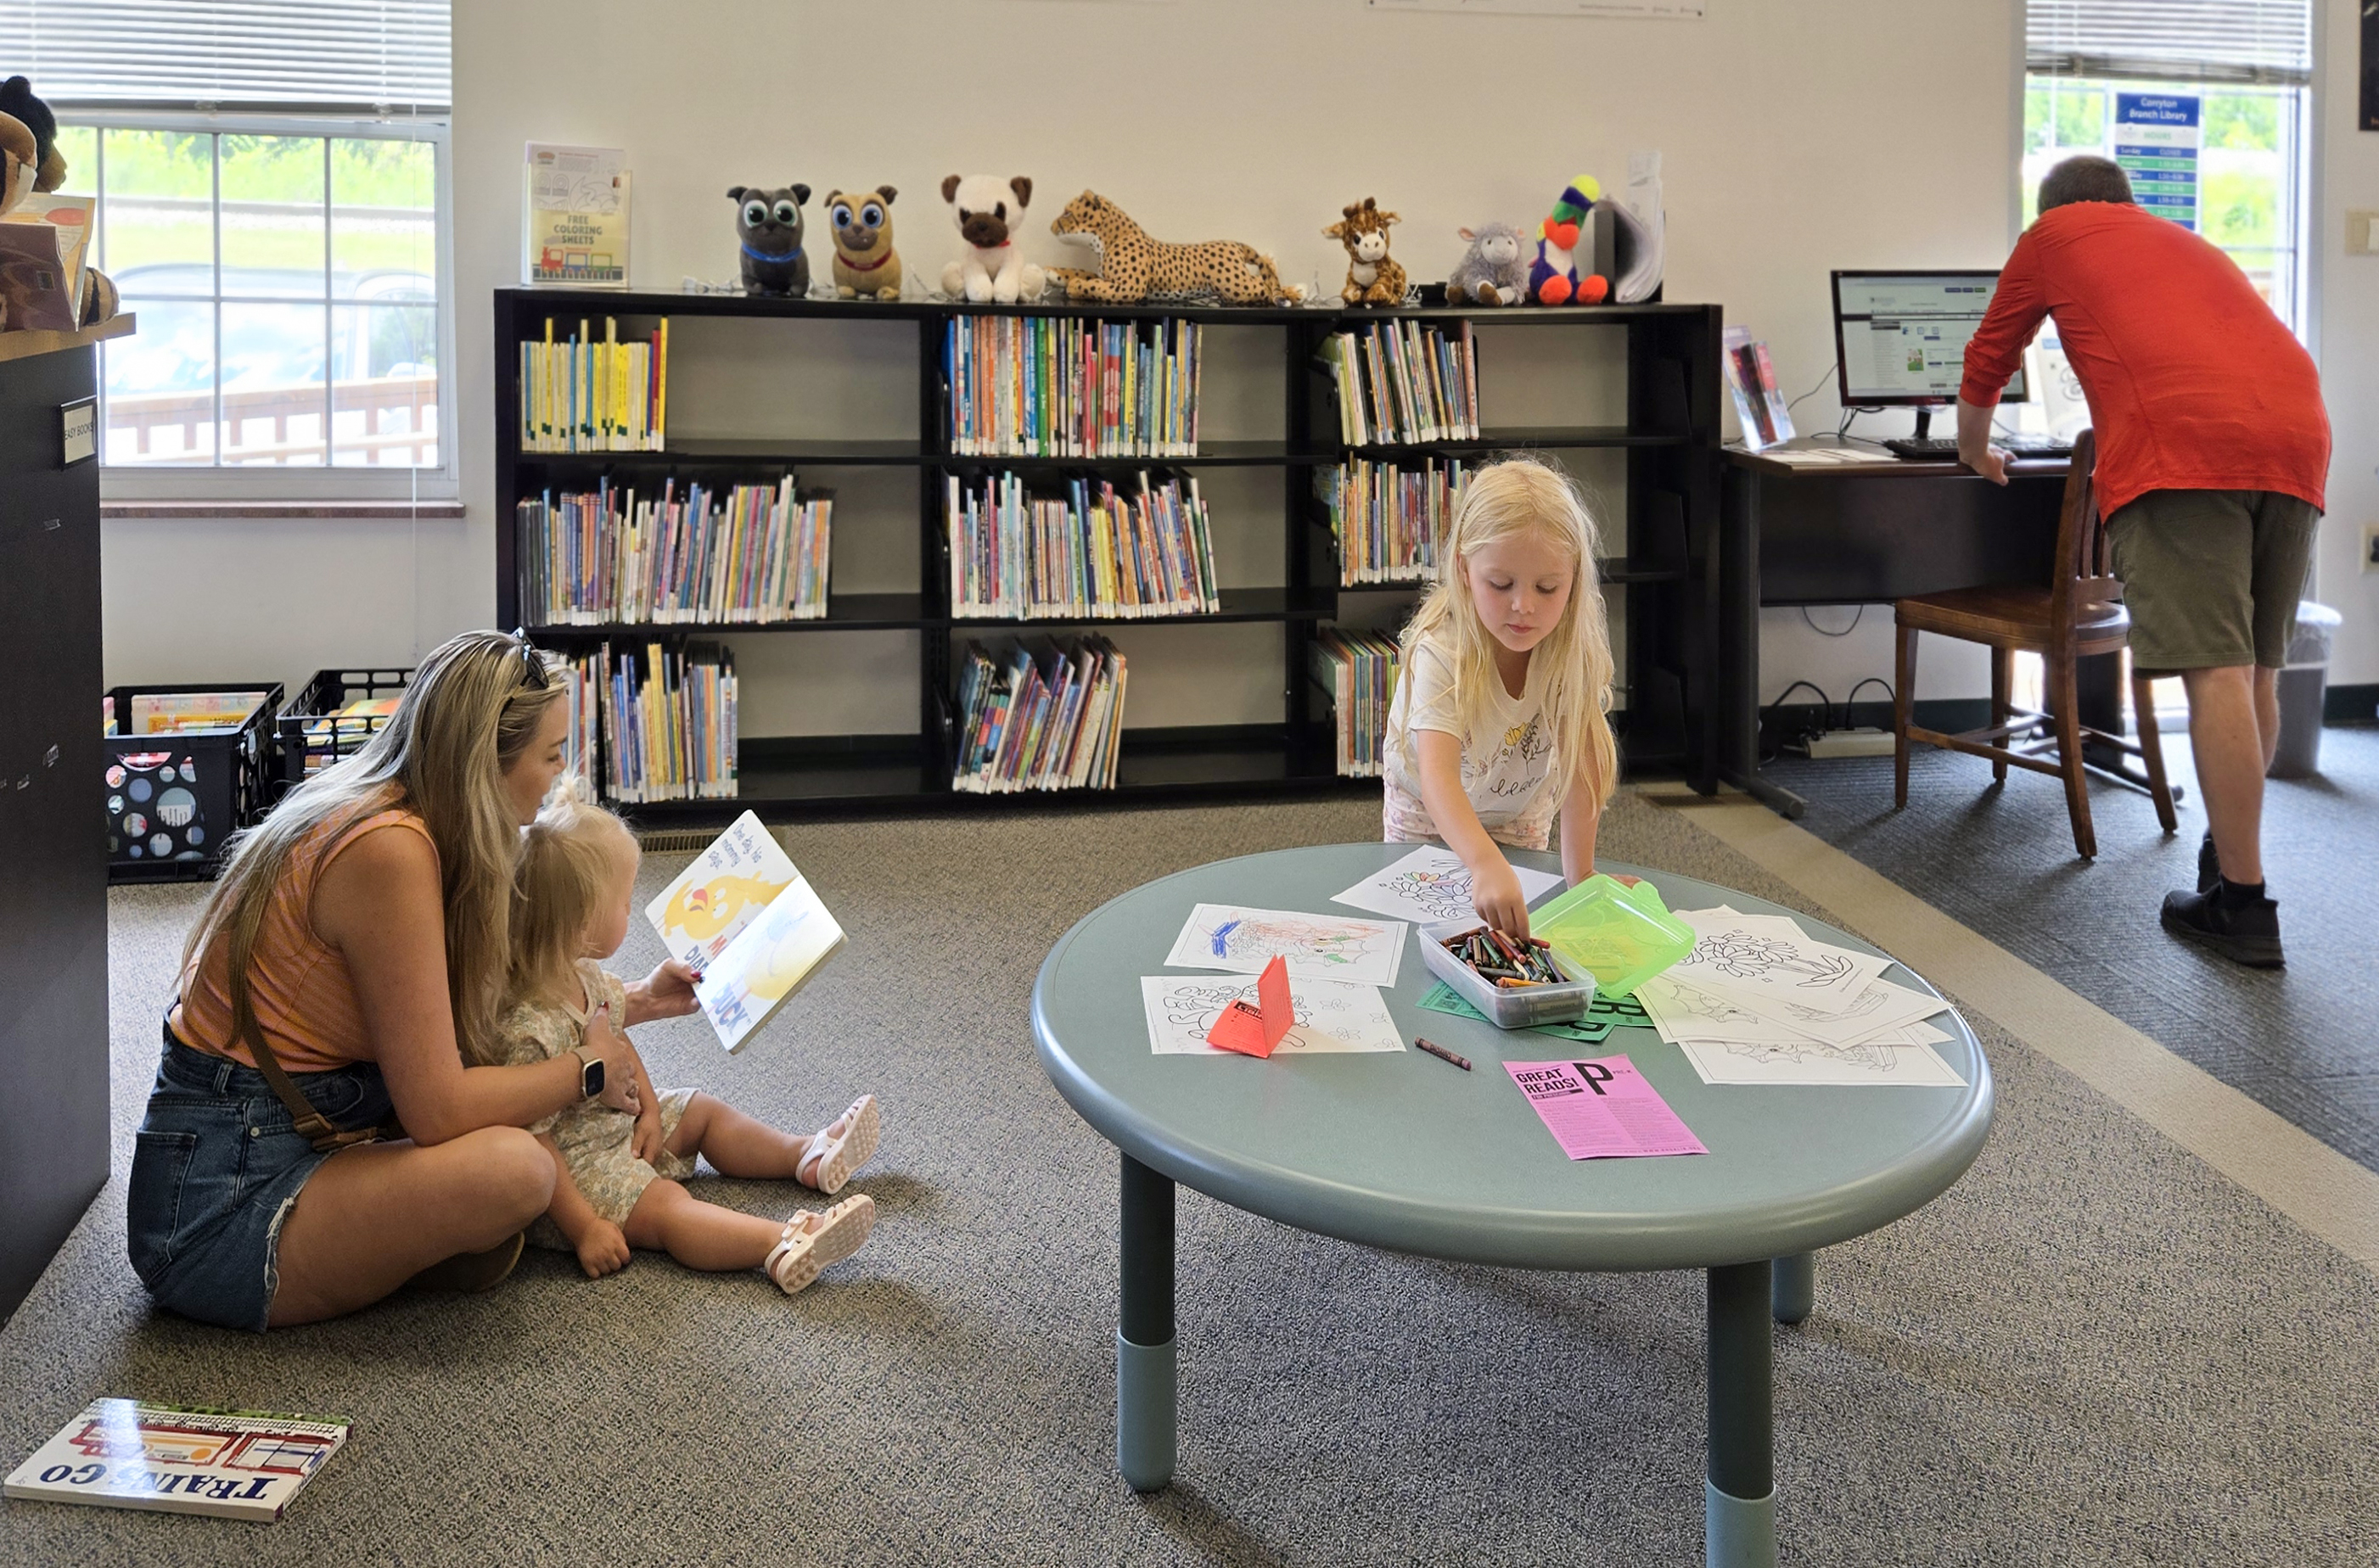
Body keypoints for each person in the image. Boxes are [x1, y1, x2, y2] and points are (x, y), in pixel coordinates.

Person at [128, 631, 703, 1332]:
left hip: (315, 1120)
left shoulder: (400, 812)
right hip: (222, 1202)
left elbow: (468, 1022)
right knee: (518, 1170)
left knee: (513, 1136)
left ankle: (414, 1232)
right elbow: (436, 1105)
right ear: (484, 763)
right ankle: (414, 1238)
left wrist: (635, 1002)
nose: (558, 776)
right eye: (550, 755)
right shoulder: (389, 852)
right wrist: (586, 1069)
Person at [1956, 154, 2328, 969]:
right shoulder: (2176, 240)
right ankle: (2227, 855)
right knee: (2255, 669)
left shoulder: (2053, 233)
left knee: (2215, 670)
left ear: (2052, 209)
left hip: (2185, 446)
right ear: (2125, 202)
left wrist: (1973, 448)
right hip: (2297, 433)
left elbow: (1991, 351)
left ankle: (2242, 907)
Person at [496, 792, 877, 1294]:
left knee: (701, 1110)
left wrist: (651, 1110)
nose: (632, 911)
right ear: (582, 920)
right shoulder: (527, 1029)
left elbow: (620, 1047)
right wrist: (585, 1227)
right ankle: (781, 1243)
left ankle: (805, 1154)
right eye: (625, 902)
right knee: (669, 1210)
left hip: (620, 1125)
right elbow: (537, 1143)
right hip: (578, 1174)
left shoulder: (586, 975)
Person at [1381, 456, 1623, 937]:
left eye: (1548, 587)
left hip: (1518, 806)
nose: (1524, 606)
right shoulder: (1441, 651)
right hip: (1428, 811)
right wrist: (1483, 864)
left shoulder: (1571, 647)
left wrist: (1583, 878)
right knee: (1427, 932)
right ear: (1464, 570)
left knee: (1513, 933)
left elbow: (1582, 762)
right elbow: (1438, 776)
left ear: (1573, 581)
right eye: (1501, 584)